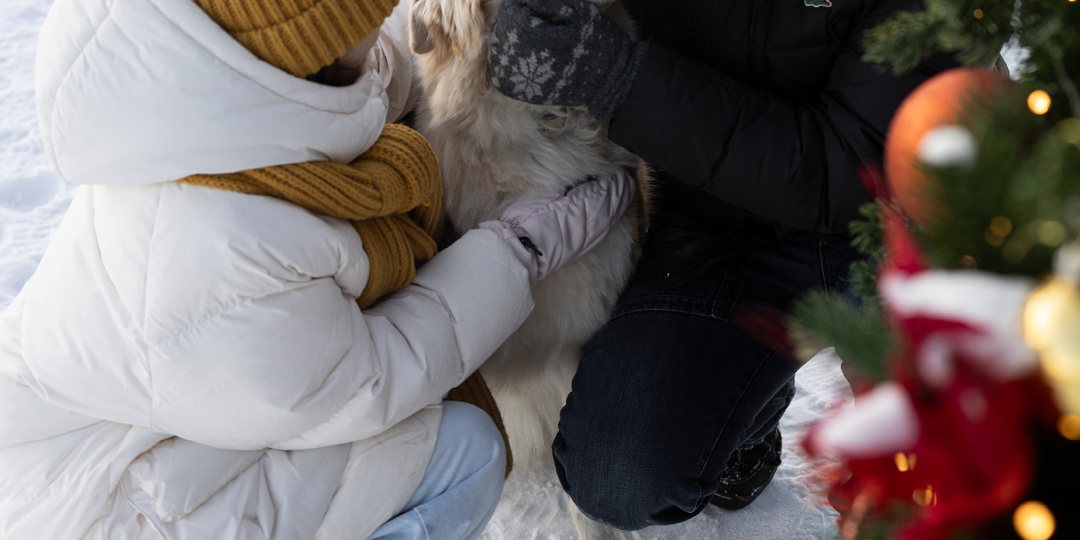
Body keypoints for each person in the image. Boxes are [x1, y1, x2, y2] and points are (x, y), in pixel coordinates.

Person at [0, 0, 636, 538]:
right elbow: (372, 379)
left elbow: (371, 74)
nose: (394, 13)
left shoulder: (221, 88)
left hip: (123, 420)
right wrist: (518, 249)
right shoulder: (219, 245)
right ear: (313, 44)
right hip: (100, 507)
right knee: (463, 453)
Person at [486, 0, 961, 530]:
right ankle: (749, 415)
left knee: (964, 457)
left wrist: (616, 77)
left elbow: (849, 163)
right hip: (705, 224)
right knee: (618, 476)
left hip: (879, 228)